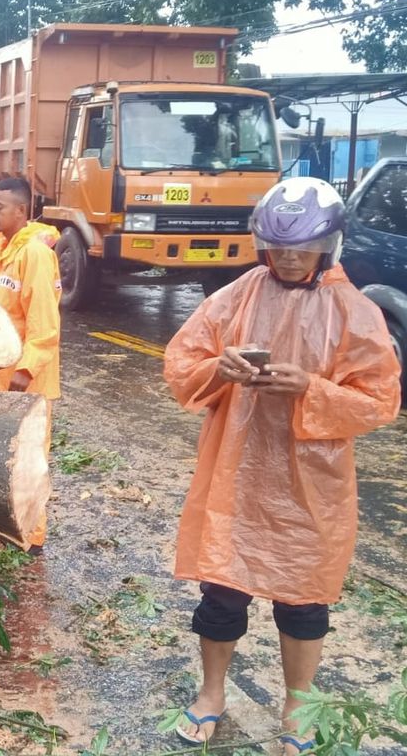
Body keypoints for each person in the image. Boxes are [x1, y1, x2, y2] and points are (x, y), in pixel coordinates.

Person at [162, 177, 401, 755]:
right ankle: (212, 693)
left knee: (303, 599)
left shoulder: (355, 310)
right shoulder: (239, 294)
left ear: (330, 244)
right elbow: (182, 360)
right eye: (279, 246)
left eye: (304, 246)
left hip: (310, 485)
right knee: (222, 591)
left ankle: (300, 702)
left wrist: (312, 389)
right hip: (234, 474)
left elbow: (380, 400)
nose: (291, 257)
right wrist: (221, 369)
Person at [0, 177, 61, 398]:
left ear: (20, 210)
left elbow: (43, 319)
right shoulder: (0, 252)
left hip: (23, 380)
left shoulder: (35, 254)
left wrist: (27, 369)